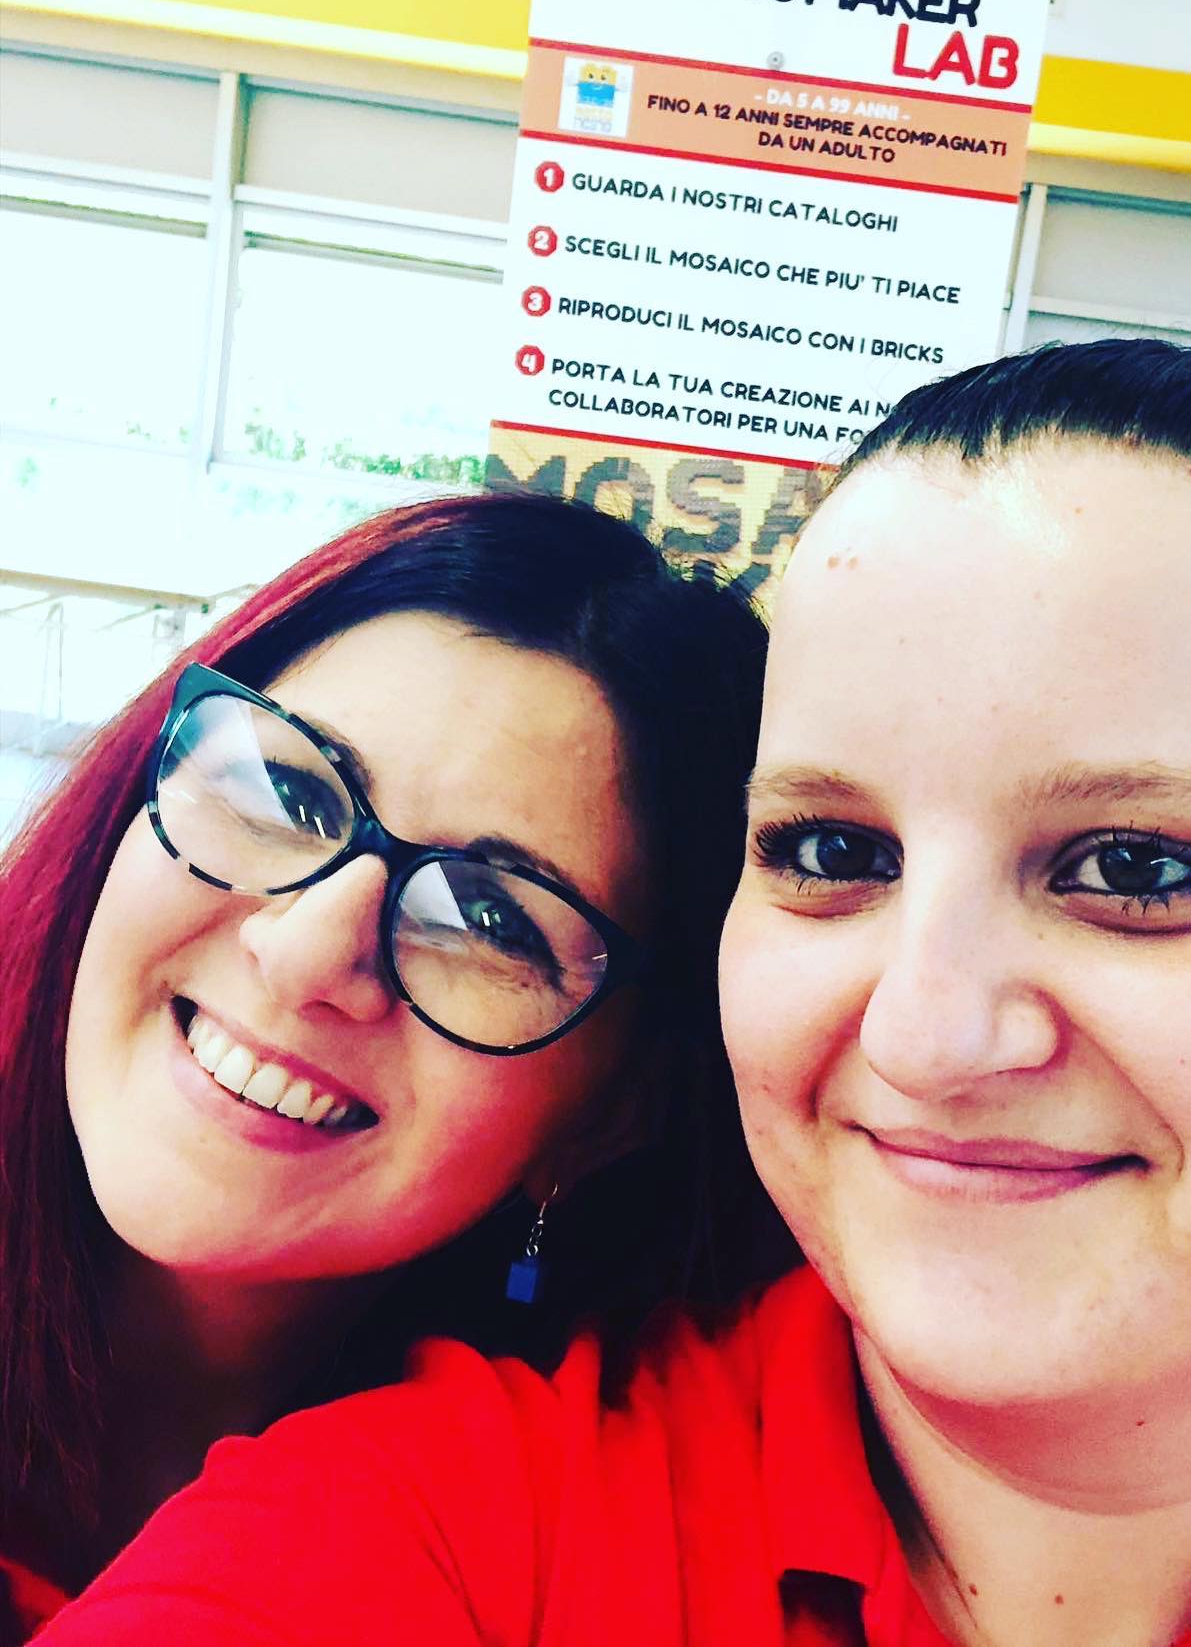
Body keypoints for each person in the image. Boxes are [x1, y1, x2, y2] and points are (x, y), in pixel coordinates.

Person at [34, 343, 1191, 1647]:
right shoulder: (435, 1524)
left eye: (1138, 867)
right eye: (833, 852)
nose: (921, 1036)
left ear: (616, 1105)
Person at [0, 490, 784, 1641]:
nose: (304, 954)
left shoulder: (583, 1524)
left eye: (489, 918)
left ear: (615, 1110)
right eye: (281, 791)